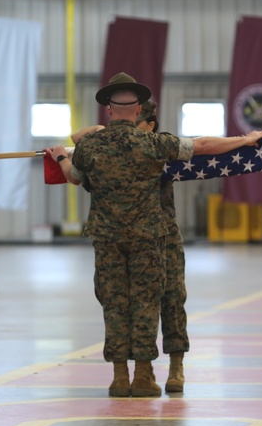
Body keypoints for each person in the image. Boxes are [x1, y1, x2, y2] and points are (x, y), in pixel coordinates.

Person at [49, 72, 262, 398]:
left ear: (108, 110)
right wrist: (246, 140)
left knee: (114, 305)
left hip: (107, 239)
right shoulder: (154, 143)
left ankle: (119, 378)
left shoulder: (90, 145)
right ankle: (143, 377)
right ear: (138, 111)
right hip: (147, 237)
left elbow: (75, 178)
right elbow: (205, 146)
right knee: (146, 304)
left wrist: (63, 158)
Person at [68, 99, 189, 394]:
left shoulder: (156, 147)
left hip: (163, 232)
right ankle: (137, 373)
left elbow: (76, 160)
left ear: (150, 125)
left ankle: (175, 365)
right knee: (135, 302)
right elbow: (78, 138)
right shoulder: (136, 145)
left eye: (142, 125)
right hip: (144, 234)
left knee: (172, 299)